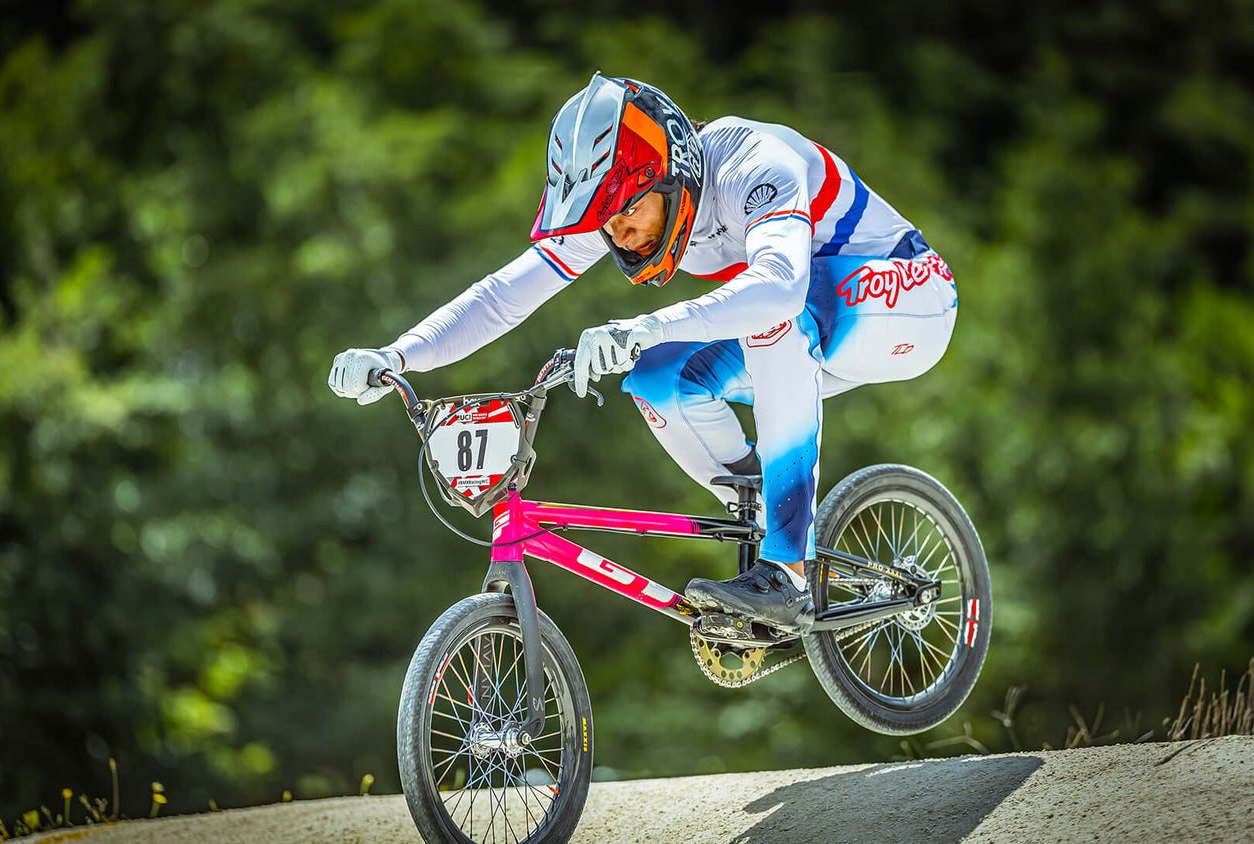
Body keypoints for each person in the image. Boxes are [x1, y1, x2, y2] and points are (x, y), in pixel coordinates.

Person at [328, 74, 957, 635]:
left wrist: (643, 326)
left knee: (771, 319)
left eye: (627, 211)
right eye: (605, 223)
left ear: (672, 171)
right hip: (817, 324)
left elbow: (780, 285)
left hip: (908, 297)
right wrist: (398, 354)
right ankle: (776, 527)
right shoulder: (630, 202)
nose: (620, 234)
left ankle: (787, 569)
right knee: (660, 382)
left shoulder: (754, 164)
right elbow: (504, 296)